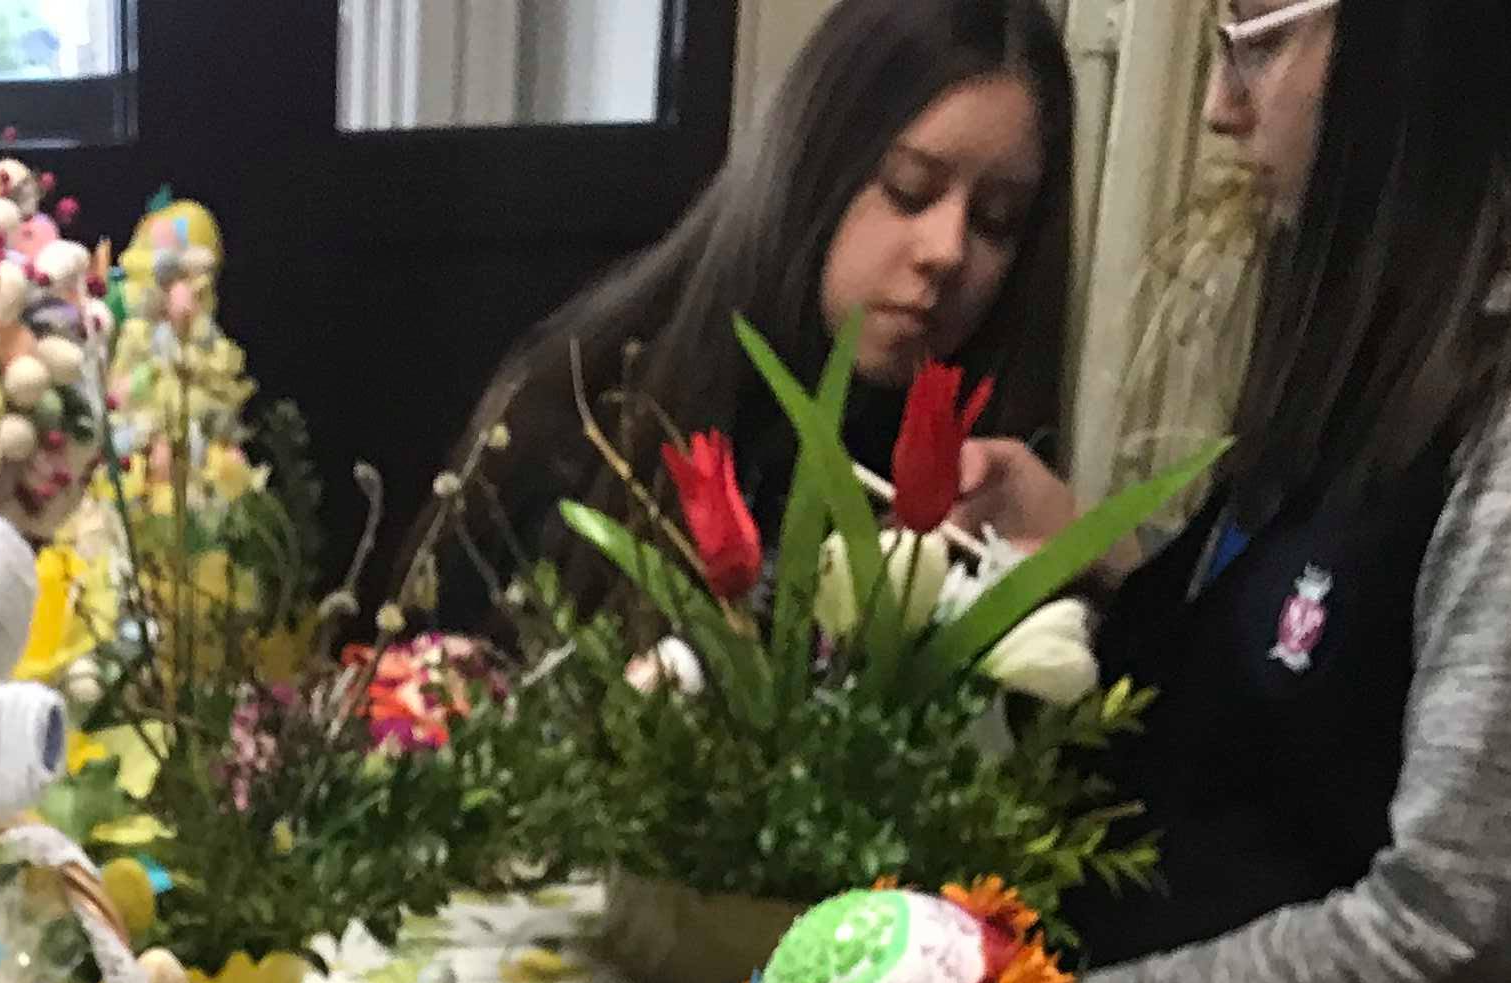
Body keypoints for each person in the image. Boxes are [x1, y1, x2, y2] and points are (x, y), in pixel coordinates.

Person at [1043, 0, 1511, 983]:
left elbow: (1451, 921)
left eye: (1260, 40)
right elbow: (1311, 680)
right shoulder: (1387, 340)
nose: (1219, 107)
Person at [432, 0, 1075, 590]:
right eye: (910, 188)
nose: (948, 250)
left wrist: (1094, 553)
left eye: (997, 220)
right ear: (816, 163)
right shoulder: (587, 415)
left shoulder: (994, 484)